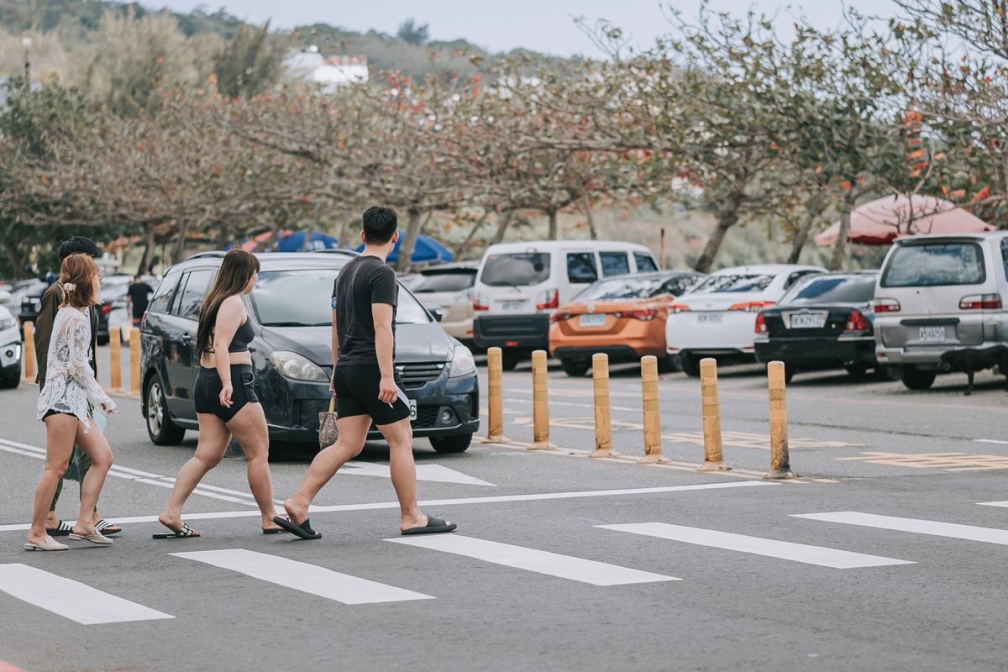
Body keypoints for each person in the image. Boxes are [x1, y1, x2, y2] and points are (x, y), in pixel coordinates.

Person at [274, 206, 456, 540]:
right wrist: (387, 376)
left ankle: (299, 501)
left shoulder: (344, 272)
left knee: (348, 444)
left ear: (361, 235)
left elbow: (335, 327)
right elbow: (382, 327)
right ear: (395, 238)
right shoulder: (382, 274)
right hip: (372, 369)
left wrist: (336, 368)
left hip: (345, 368)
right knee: (401, 440)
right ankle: (411, 516)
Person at [156, 249, 283, 537]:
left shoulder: (214, 301)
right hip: (232, 382)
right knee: (259, 452)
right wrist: (228, 383)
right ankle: (269, 517)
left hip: (207, 381)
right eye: (254, 273)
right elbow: (221, 346)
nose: (256, 278)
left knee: (207, 455)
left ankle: (171, 511)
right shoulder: (233, 303)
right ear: (244, 275)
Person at [26, 254, 117, 551]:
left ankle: (85, 523)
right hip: (62, 402)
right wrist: (101, 398)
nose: (99, 280)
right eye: (96, 275)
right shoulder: (76, 318)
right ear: (85, 281)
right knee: (56, 467)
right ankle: (37, 533)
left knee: (103, 457)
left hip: (74, 403)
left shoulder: (73, 312)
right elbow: (79, 367)